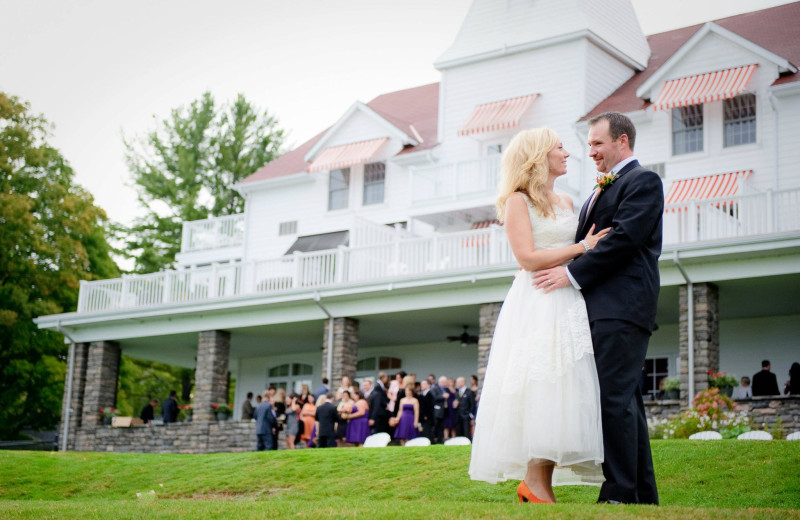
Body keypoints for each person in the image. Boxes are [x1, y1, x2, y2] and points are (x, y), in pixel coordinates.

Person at [469, 127, 609, 504]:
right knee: (538, 383)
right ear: (538, 155)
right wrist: (582, 247)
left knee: (563, 386)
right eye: (560, 147)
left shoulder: (566, 200)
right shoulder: (517, 200)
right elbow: (527, 258)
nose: (568, 153)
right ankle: (534, 484)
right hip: (536, 300)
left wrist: (584, 251)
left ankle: (536, 484)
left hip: (567, 298)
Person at [532, 114, 662, 504]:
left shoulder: (643, 181)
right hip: (601, 309)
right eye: (588, 145)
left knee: (612, 401)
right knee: (626, 402)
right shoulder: (600, 188)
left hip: (622, 307)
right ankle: (641, 494)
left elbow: (623, 238)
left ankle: (619, 493)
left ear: (622, 141)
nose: (590, 152)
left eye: (597, 144)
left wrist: (570, 275)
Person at [431, 376, 447, 444]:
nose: (446, 383)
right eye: (445, 382)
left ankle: (440, 440)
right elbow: (434, 397)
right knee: (435, 426)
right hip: (437, 411)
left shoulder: (445, 389)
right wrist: (443, 396)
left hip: (443, 411)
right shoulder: (435, 388)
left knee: (441, 427)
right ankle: (432, 440)